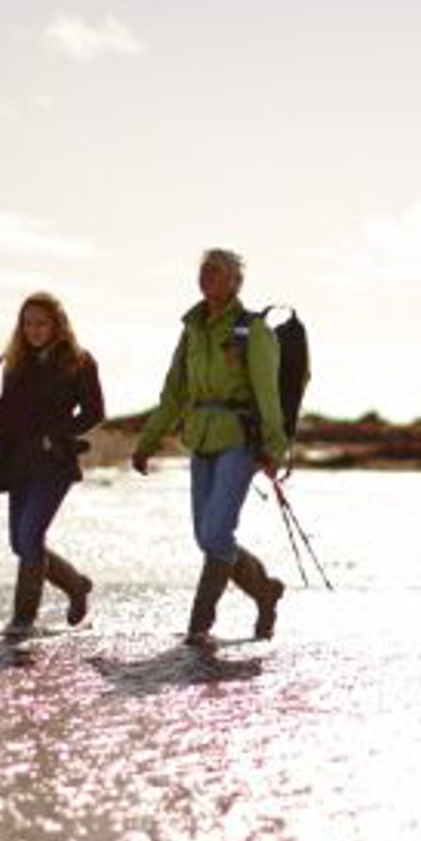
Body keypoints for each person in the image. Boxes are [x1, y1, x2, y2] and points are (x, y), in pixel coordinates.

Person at [130, 248, 288, 645]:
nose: (207, 276)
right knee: (206, 537)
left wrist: (275, 449)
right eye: (204, 270)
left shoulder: (253, 331)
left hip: (240, 440)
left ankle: (199, 627)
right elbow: (173, 394)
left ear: (236, 282)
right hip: (200, 440)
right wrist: (147, 442)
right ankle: (265, 591)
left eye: (216, 271)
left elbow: (269, 395)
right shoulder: (193, 329)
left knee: (217, 533)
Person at [0, 291, 105, 642]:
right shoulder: (16, 361)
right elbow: (6, 409)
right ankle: (76, 585)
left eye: (41, 323)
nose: (34, 330)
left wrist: (58, 433)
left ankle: (22, 619)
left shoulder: (80, 361)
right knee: (20, 543)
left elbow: (94, 411)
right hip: (18, 461)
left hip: (54, 460)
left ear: (58, 325)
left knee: (31, 535)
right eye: (28, 323)